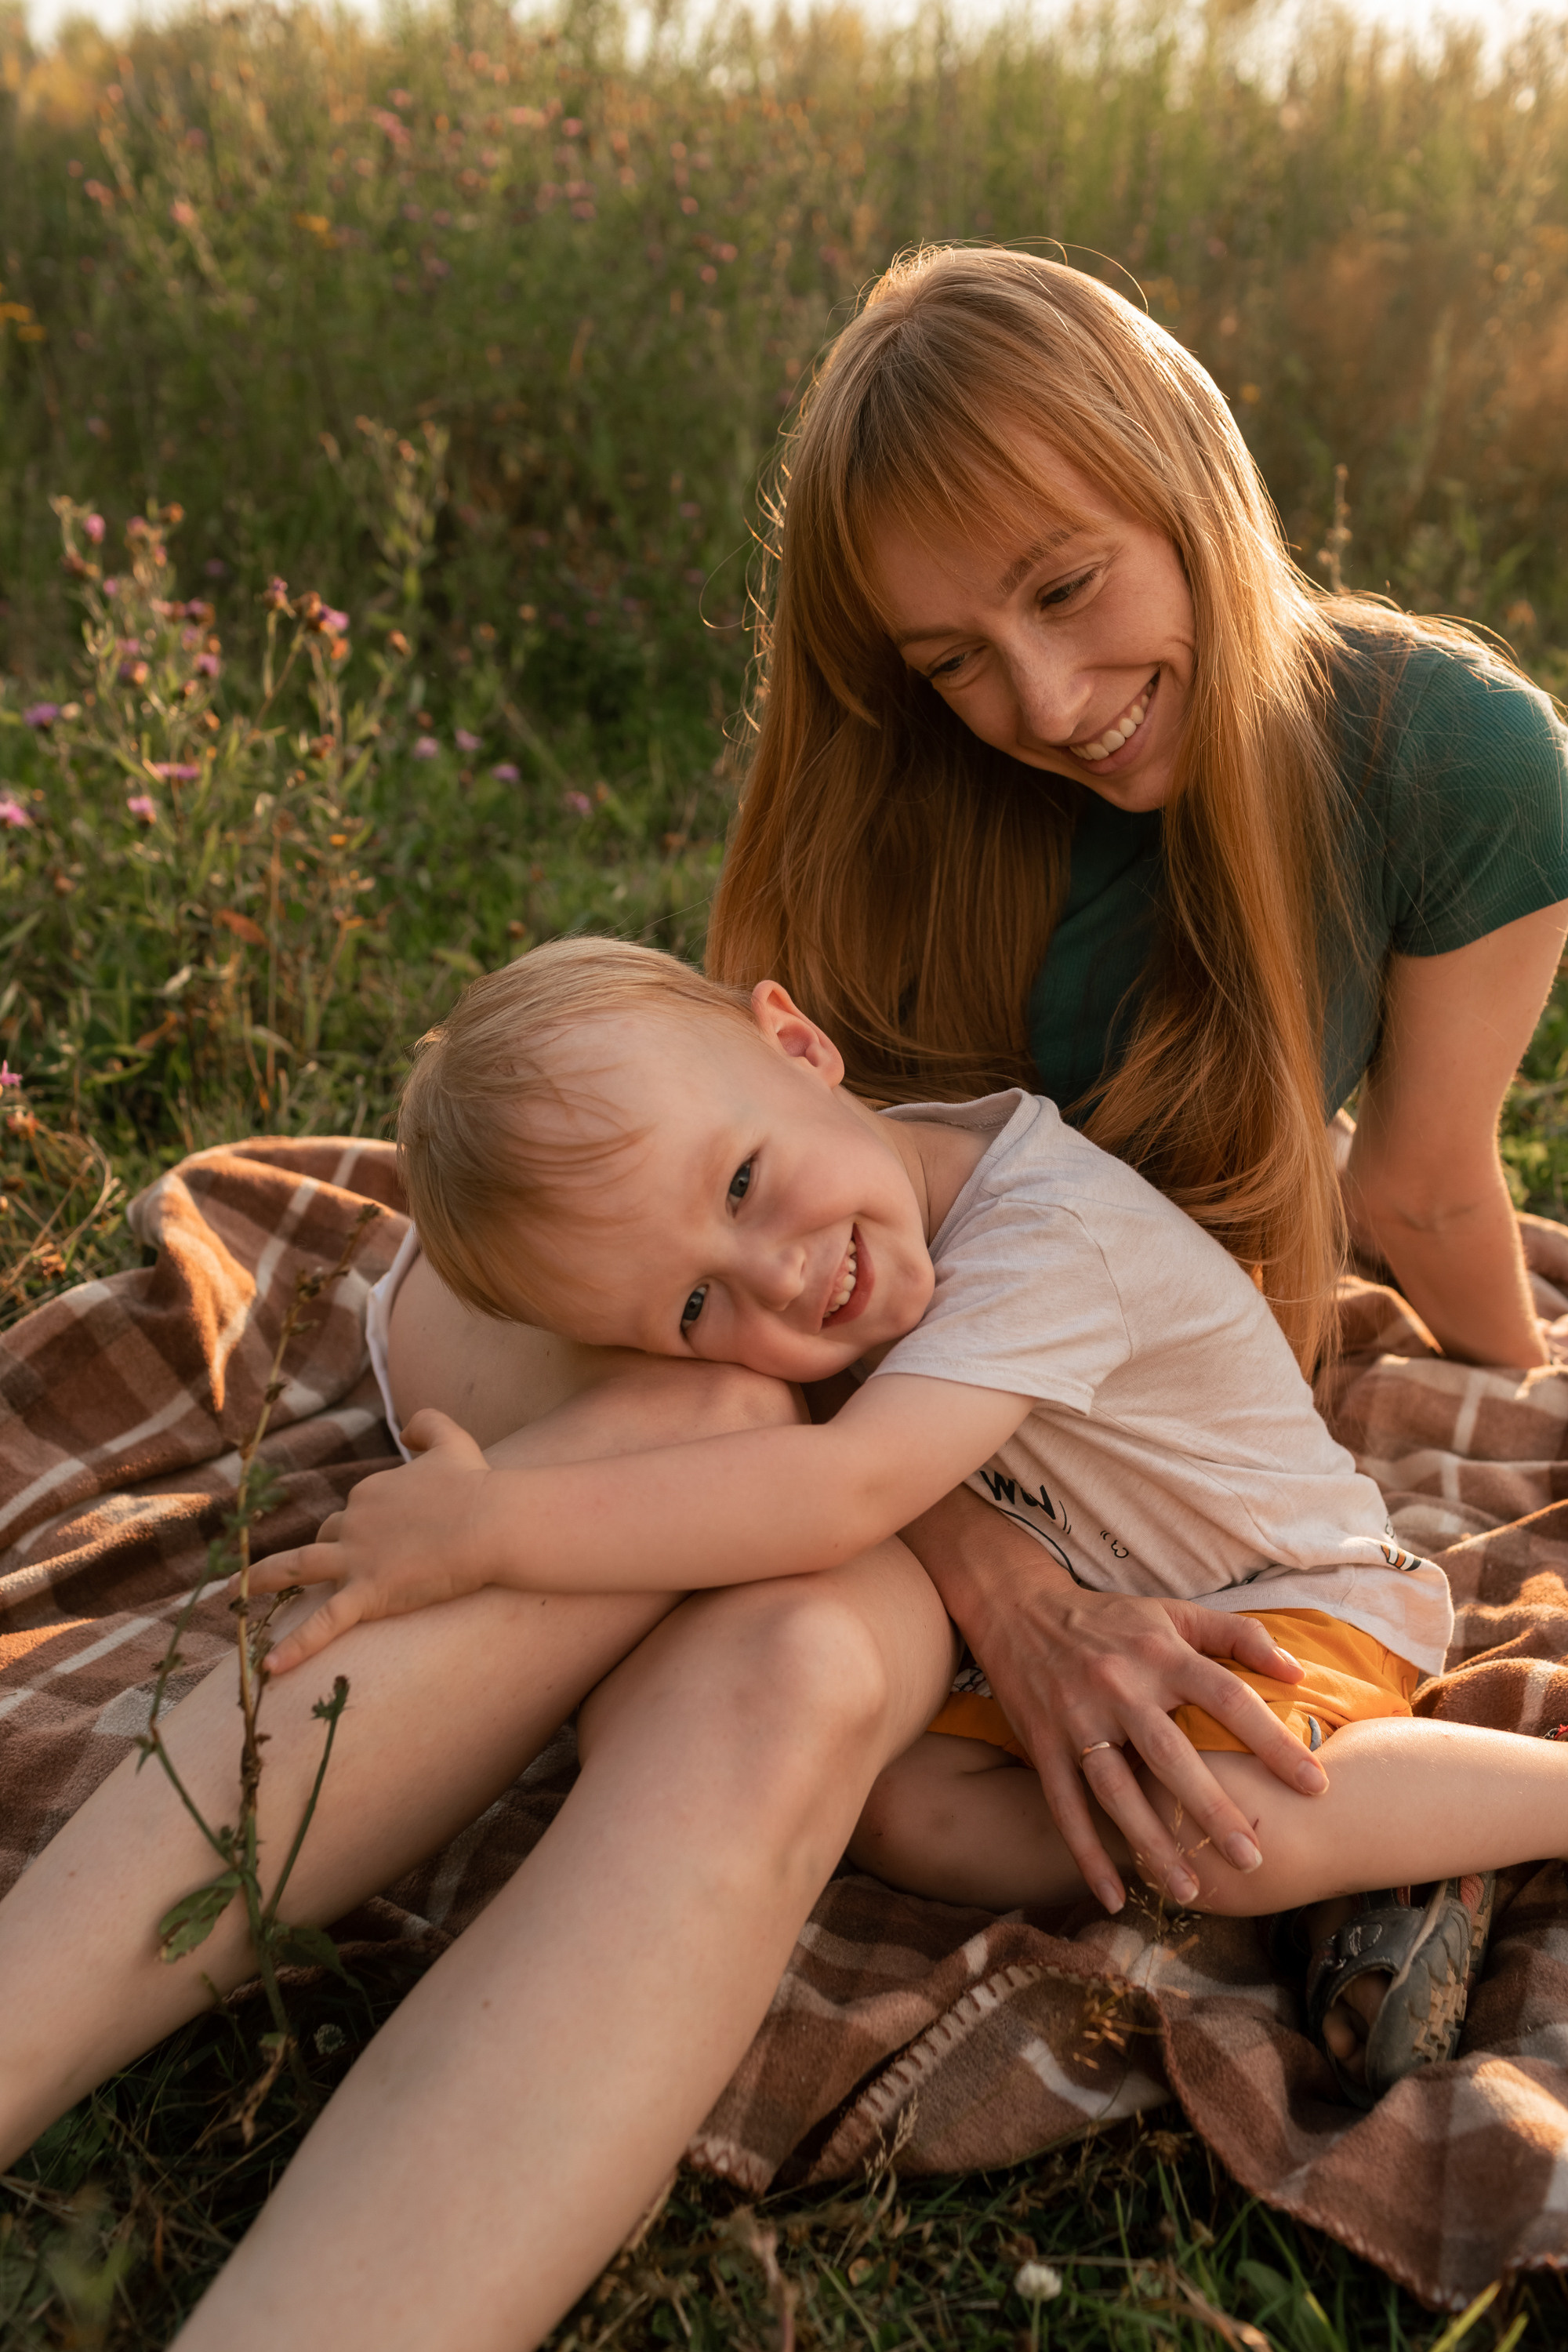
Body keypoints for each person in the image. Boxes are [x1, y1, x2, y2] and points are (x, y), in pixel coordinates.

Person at [0, 244, 1563, 2350]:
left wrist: (1516, 1397)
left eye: (1069, 587)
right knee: (713, 1412)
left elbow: (1427, 1185)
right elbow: (735, 1267)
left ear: (1192, 476)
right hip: (714, 1342)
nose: (1029, 694)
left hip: (938, 1404)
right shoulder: (872, 837)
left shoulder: (1447, 766)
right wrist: (1007, 1589)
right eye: (951, 653)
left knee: (793, 1661)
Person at [253, 937, 1519, 2118]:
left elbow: (844, 1489)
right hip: (1095, 1623)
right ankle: (1368, 1878)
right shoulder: (857, 1231)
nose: (779, 1274)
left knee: (1228, 1829)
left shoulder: (1048, 1235)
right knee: (908, 1814)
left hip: (1280, 1603)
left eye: (743, 1182)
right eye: (697, 1305)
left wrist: (490, 1528)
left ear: (799, 1047)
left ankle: (1494, 1810)